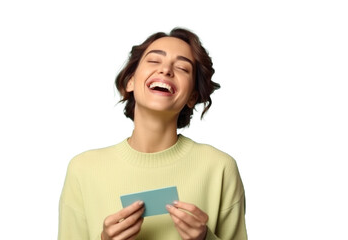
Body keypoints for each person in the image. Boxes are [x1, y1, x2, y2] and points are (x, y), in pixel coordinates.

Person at [58, 27, 247, 240]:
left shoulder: (220, 167)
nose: (166, 70)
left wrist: (205, 238)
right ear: (130, 81)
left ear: (192, 97)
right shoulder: (83, 169)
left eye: (183, 68)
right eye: (154, 61)